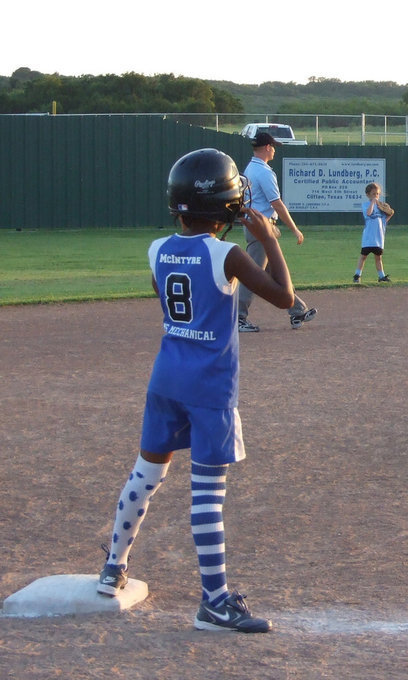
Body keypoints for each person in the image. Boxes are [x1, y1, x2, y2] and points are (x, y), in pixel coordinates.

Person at [97, 148, 295, 633]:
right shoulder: (226, 254)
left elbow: (166, 296)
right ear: (227, 205)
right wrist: (270, 240)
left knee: (145, 475)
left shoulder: (157, 249)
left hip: (166, 379)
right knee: (207, 495)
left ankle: (112, 568)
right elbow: (285, 297)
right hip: (209, 388)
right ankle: (214, 601)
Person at [237, 131, 317, 331]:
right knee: (251, 274)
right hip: (261, 228)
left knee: (274, 275)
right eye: (272, 146)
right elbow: (277, 204)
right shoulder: (263, 171)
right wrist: (295, 229)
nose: (274, 150)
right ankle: (237, 317)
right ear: (267, 147)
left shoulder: (251, 168)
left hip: (257, 225)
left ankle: (297, 310)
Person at [353, 182, 393, 283]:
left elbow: (385, 219)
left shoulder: (380, 207)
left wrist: (389, 212)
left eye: (377, 194)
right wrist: (373, 203)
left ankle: (381, 276)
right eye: (373, 194)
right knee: (363, 257)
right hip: (368, 237)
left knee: (378, 258)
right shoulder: (366, 205)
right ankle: (357, 275)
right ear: (368, 195)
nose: (376, 196)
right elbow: (369, 213)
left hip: (378, 238)